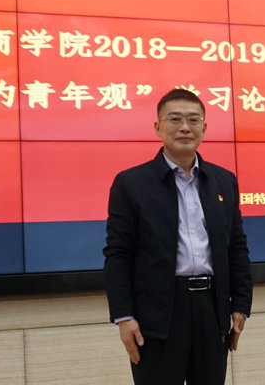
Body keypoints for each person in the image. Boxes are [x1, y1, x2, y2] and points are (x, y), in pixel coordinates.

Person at [103, 88, 253, 385]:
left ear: (204, 128)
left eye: (193, 120)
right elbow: (118, 254)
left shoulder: (224, 181)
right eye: (175, 119)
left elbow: (236, 248)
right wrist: (123, 316)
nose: (185, 127)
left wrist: (240, 306)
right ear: (158, 127)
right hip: (157, 316)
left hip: (212, 310)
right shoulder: (131, 183)